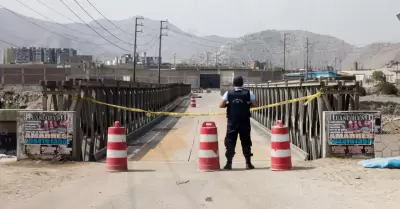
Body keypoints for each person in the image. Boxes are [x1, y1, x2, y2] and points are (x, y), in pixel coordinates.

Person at [219, 76, 257, 170]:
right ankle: (248, 163)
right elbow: (255, 104)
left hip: (232, 121)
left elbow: (221, 105)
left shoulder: (229, 92)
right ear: (242, 83)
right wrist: (247, 104)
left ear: (233, 83)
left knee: (230, 141)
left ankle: (229, 164)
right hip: (244, 121)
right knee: (246, 141)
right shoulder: (249, 92)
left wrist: (229, 104)